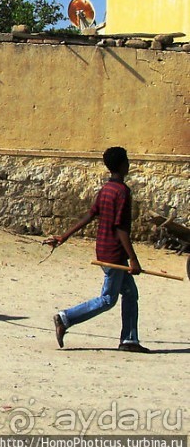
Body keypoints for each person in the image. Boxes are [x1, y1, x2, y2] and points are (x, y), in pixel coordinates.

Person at [45, 146, 149, 353]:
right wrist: (133, 259)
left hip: (104, 250)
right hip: (114, 254)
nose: (128, 164)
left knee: (130, 293)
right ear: (123, 165)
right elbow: (120, 228)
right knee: (108, 299)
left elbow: (90, 215)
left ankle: (129, 340)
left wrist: (64, 236)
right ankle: (66, 318)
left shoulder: (106, 189)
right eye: (127, 161)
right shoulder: (122, 192)